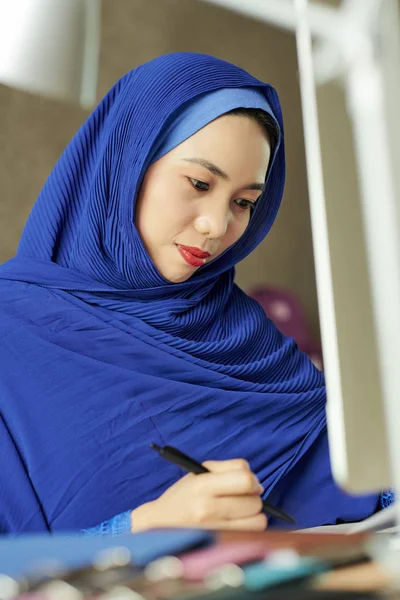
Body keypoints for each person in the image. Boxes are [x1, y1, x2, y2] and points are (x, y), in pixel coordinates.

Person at [0, 52, 389, 536]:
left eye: (244, 202)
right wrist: (142, 527)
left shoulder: (244, 340)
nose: (217, 225)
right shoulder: (9, 336)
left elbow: (358, 477)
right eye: (199, 183)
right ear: (125, 163)